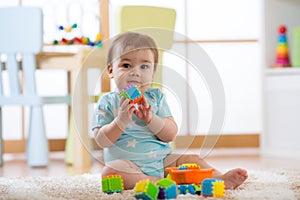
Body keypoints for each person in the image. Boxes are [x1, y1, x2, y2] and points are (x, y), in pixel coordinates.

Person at [92, 31, 248, 190]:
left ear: (153, 73)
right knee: (110, 172)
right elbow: (102, 141)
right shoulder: (108, 102)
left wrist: (151, 118)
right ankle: (156, 183)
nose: (136, 72)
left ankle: (219, 179)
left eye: (144, 66)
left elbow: (170, 135)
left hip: (163, 162)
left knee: (191, 159)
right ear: (111, 70)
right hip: (129, 166)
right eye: (126, 65)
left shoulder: (156, 98)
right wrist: (121, 120)